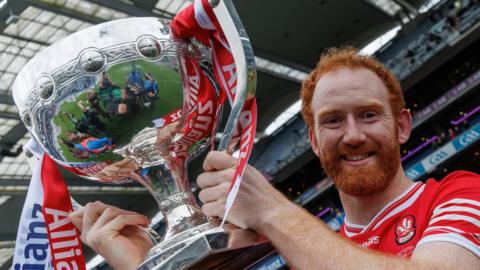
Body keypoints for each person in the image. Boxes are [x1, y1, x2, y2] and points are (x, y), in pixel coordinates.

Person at [69, 47, 480, 270]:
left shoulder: (461, 193)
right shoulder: (318, 256)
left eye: (369, 115)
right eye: (333, 121)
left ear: (402, 126)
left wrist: (271, 212)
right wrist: (148, 264)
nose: (353, 135)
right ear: (315, 142)